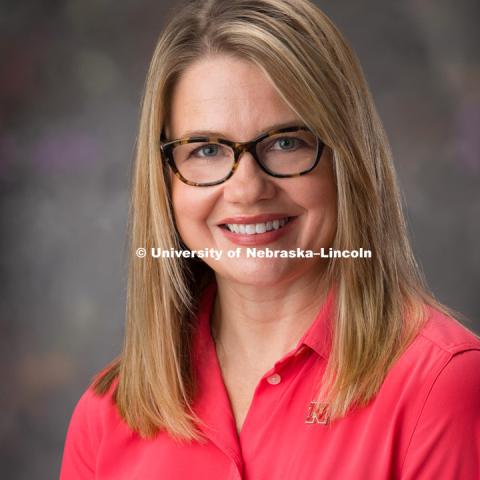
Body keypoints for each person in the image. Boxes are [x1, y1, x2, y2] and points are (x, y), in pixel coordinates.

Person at [59, 0, 480, 478]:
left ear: (348, 160)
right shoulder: (105, 415)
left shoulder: (443, 384)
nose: (247, 189)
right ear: (165, 180)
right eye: (207, 149)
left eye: (285, 142)